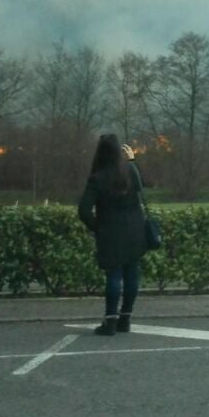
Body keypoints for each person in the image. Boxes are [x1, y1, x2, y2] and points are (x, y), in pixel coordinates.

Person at [77, 134, 148, 336]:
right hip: (135, 230)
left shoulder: (97, 178)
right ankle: (125, 319)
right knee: (132, 273)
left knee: (114, 275)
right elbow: (143, 186)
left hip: (111, 232)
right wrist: (133, 160)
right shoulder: (129, 173)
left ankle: (110, 321)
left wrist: (97, 227)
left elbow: (83, 210)